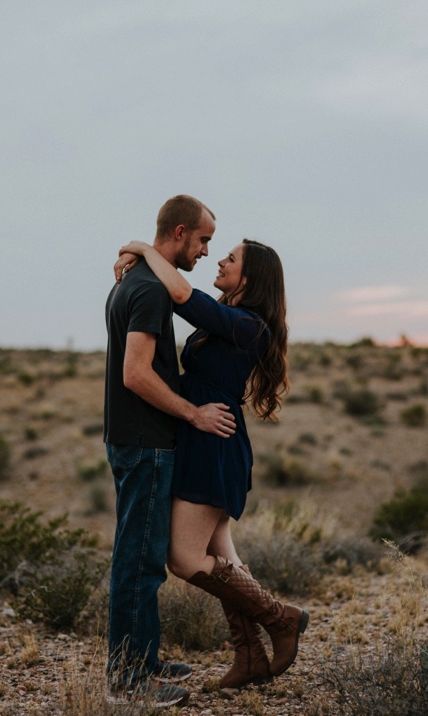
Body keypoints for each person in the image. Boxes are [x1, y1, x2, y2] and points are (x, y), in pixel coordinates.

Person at [113, 236, 309, 691]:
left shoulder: (249, 325)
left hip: (215, 444)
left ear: (251, 277)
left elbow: (183, 296)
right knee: (223, 557)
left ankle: (280, 619)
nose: (219, 258)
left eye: (231, 257)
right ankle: (249, 657)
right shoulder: (232, 319)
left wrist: (143, 248)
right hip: (203, 438)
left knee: (183, 559)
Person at [103, 194, 235, 707]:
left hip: (129, 437)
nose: (206, 252)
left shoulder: (128, 281)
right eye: (203, 240)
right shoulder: (151, 290)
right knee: (139, 562)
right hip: (146, 441)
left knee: (141, 556)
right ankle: (130, 681)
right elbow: (135, 373)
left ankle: (144, 658)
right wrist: (193, 414)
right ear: (179, 233)